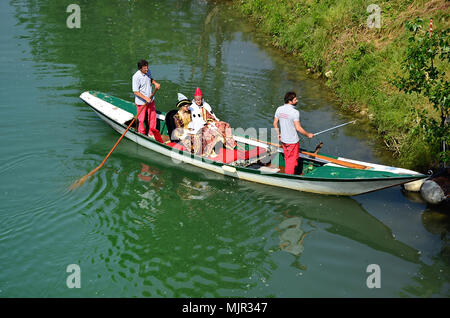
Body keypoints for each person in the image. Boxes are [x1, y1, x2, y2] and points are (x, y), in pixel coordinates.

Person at [273, 91, 314, 175]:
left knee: (288, 158)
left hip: (283, 140)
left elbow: (275, 123)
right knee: (291, 161)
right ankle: (289, 177)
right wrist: (308, 134)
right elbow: (298, 128)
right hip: (292, 142)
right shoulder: (295, 112)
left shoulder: (279, 109)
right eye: (295, 99)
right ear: (290, 101)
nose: (297, 100)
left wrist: (278, 134)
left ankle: (290, 172)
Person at [132, 59, 161, 137]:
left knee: (152, 117)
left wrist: (155, 83)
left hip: (151, 99)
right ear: (140, 68)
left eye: (147, 68)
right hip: (142, 102)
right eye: (145, 69)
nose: (147, 70)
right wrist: (145, 98)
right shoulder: (136, 77)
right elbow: (135, 91)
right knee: (141, 119)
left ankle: (152, 133)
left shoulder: (148, 71)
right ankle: (141, 133)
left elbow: (150, 79)